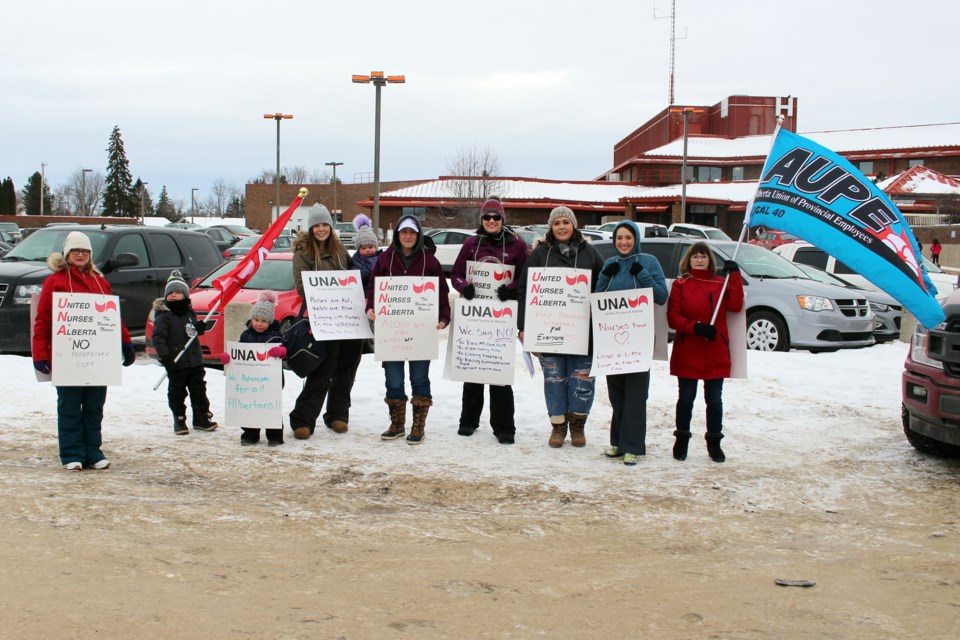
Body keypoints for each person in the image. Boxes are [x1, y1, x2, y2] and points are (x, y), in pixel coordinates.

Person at [32, 231, 136, 470]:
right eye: (76, 251)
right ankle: (72, 454)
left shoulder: (100, 282)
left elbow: (111, 317)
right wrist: (40, 354)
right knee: (69, 406)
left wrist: (125, 342)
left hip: (98, 358)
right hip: (68, 356)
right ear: (67, 254)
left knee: (93, 406)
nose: (80, 254)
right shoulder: (55, 281)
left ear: (90, 255)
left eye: (85, 251)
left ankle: (93, 451)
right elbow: (43, 321)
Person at [517, 206, 604, 449]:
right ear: (551, 228)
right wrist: (523, 326)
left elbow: (603, 285)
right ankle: (557, 426)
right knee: (554, 379)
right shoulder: (540, 254)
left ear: (574, 225)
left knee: (582, 380)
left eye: (566, 222)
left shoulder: (590, 253)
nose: (562, 227)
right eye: (557, 223)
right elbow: (524, 290)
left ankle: (577, 426)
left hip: (583, 333)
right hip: (549, 332)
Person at [365, 214, 450, 445]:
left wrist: (443, 317)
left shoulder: (429, 261)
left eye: (412, 232)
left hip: (421, 332)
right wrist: (371, 306)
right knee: (393, 379)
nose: (408, 236)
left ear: (418, 234)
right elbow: (373, 286)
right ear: (398, 235)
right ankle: (397, 424)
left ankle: (418, 426)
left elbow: (441, 292)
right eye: (404, 232)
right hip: (392, 332)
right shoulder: (386, 259)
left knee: (419, 378)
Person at [449, 198, 528, 444]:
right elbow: (456, 274)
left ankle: (504, 427)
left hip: (502, 316)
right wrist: (465, 287)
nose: (491, 221)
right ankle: (468, 420)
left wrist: (511, 288)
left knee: (499, 372)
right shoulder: (472, 243)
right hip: (475, 314)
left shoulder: (516, 244)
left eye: (496, 217)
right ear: (481, 220)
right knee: (473, 367)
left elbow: (526, 277)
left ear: (503, 219)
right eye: (487, 217)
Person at [595, 221, 668, 465]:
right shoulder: (610, 263)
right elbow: (597, 298)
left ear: (635, 238)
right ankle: (617, 443)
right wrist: (605, 275)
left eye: (628, 237)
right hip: (612, 338)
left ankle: (633, 446)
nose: (623, 242)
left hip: (639, 337)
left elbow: (661, 296)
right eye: (619, 238)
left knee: (636, 394)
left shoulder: (649, 262)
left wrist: (642, 274)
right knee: (617, 393)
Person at [289, 203, 363, 440]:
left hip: (350, 320)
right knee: (322, 370)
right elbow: (302, 288)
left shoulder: (341, 250)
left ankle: (338, 415)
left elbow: (355, 276)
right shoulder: (302, 254)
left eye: (325, 225)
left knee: (347, 369)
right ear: (311, 229)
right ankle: (303, 419)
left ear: (331, 227)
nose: (321, 229)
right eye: (317, 225)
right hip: (323, 320)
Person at [667, 242, 745, 463]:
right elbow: (673, 317)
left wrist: (736, 276)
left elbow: (736, 305)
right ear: (688, 260)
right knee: (686, 398)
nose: (699, 260)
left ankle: (714, 442)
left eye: (703, 256)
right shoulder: (681, 284)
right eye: (695, 256)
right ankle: (681, 438)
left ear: (710, 260)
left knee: (714, 400)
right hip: (688, 348)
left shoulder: (721, 284)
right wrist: (696, 327)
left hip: (715, 349)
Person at [153, 273, 218, 435]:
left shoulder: (189, 313)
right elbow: (158, 338)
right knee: (177, 391)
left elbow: (192, 331)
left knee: (198, 390)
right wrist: (166, 358)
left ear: (185, 295)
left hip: (194, 361)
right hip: (176, 362)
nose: (173, 295)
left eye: (177, 292)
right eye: (170, 293)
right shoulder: (164, 316)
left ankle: (201, 417)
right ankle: (179, 418)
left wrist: (199, 328)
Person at [219, 291, 286, 446]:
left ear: (270, 321)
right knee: (250, 406)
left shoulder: (276, 336)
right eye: (256, 319)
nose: (259, 323)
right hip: (249, 382)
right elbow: (237, 351)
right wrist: (228, 357)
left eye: (264, 320)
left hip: (270, 382)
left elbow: (286, 350)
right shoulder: (245, 335)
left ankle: (275, 435)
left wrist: (282, 351)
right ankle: (250, 433)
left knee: (270, 407)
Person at [351, 213, 382, 290]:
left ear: (376, 247)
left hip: (379, 292)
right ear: (358, 249)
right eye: (364, 248)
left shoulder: (381, 258)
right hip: (362, 293)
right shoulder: (355, 261)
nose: (367, 250)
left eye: (370, 247)